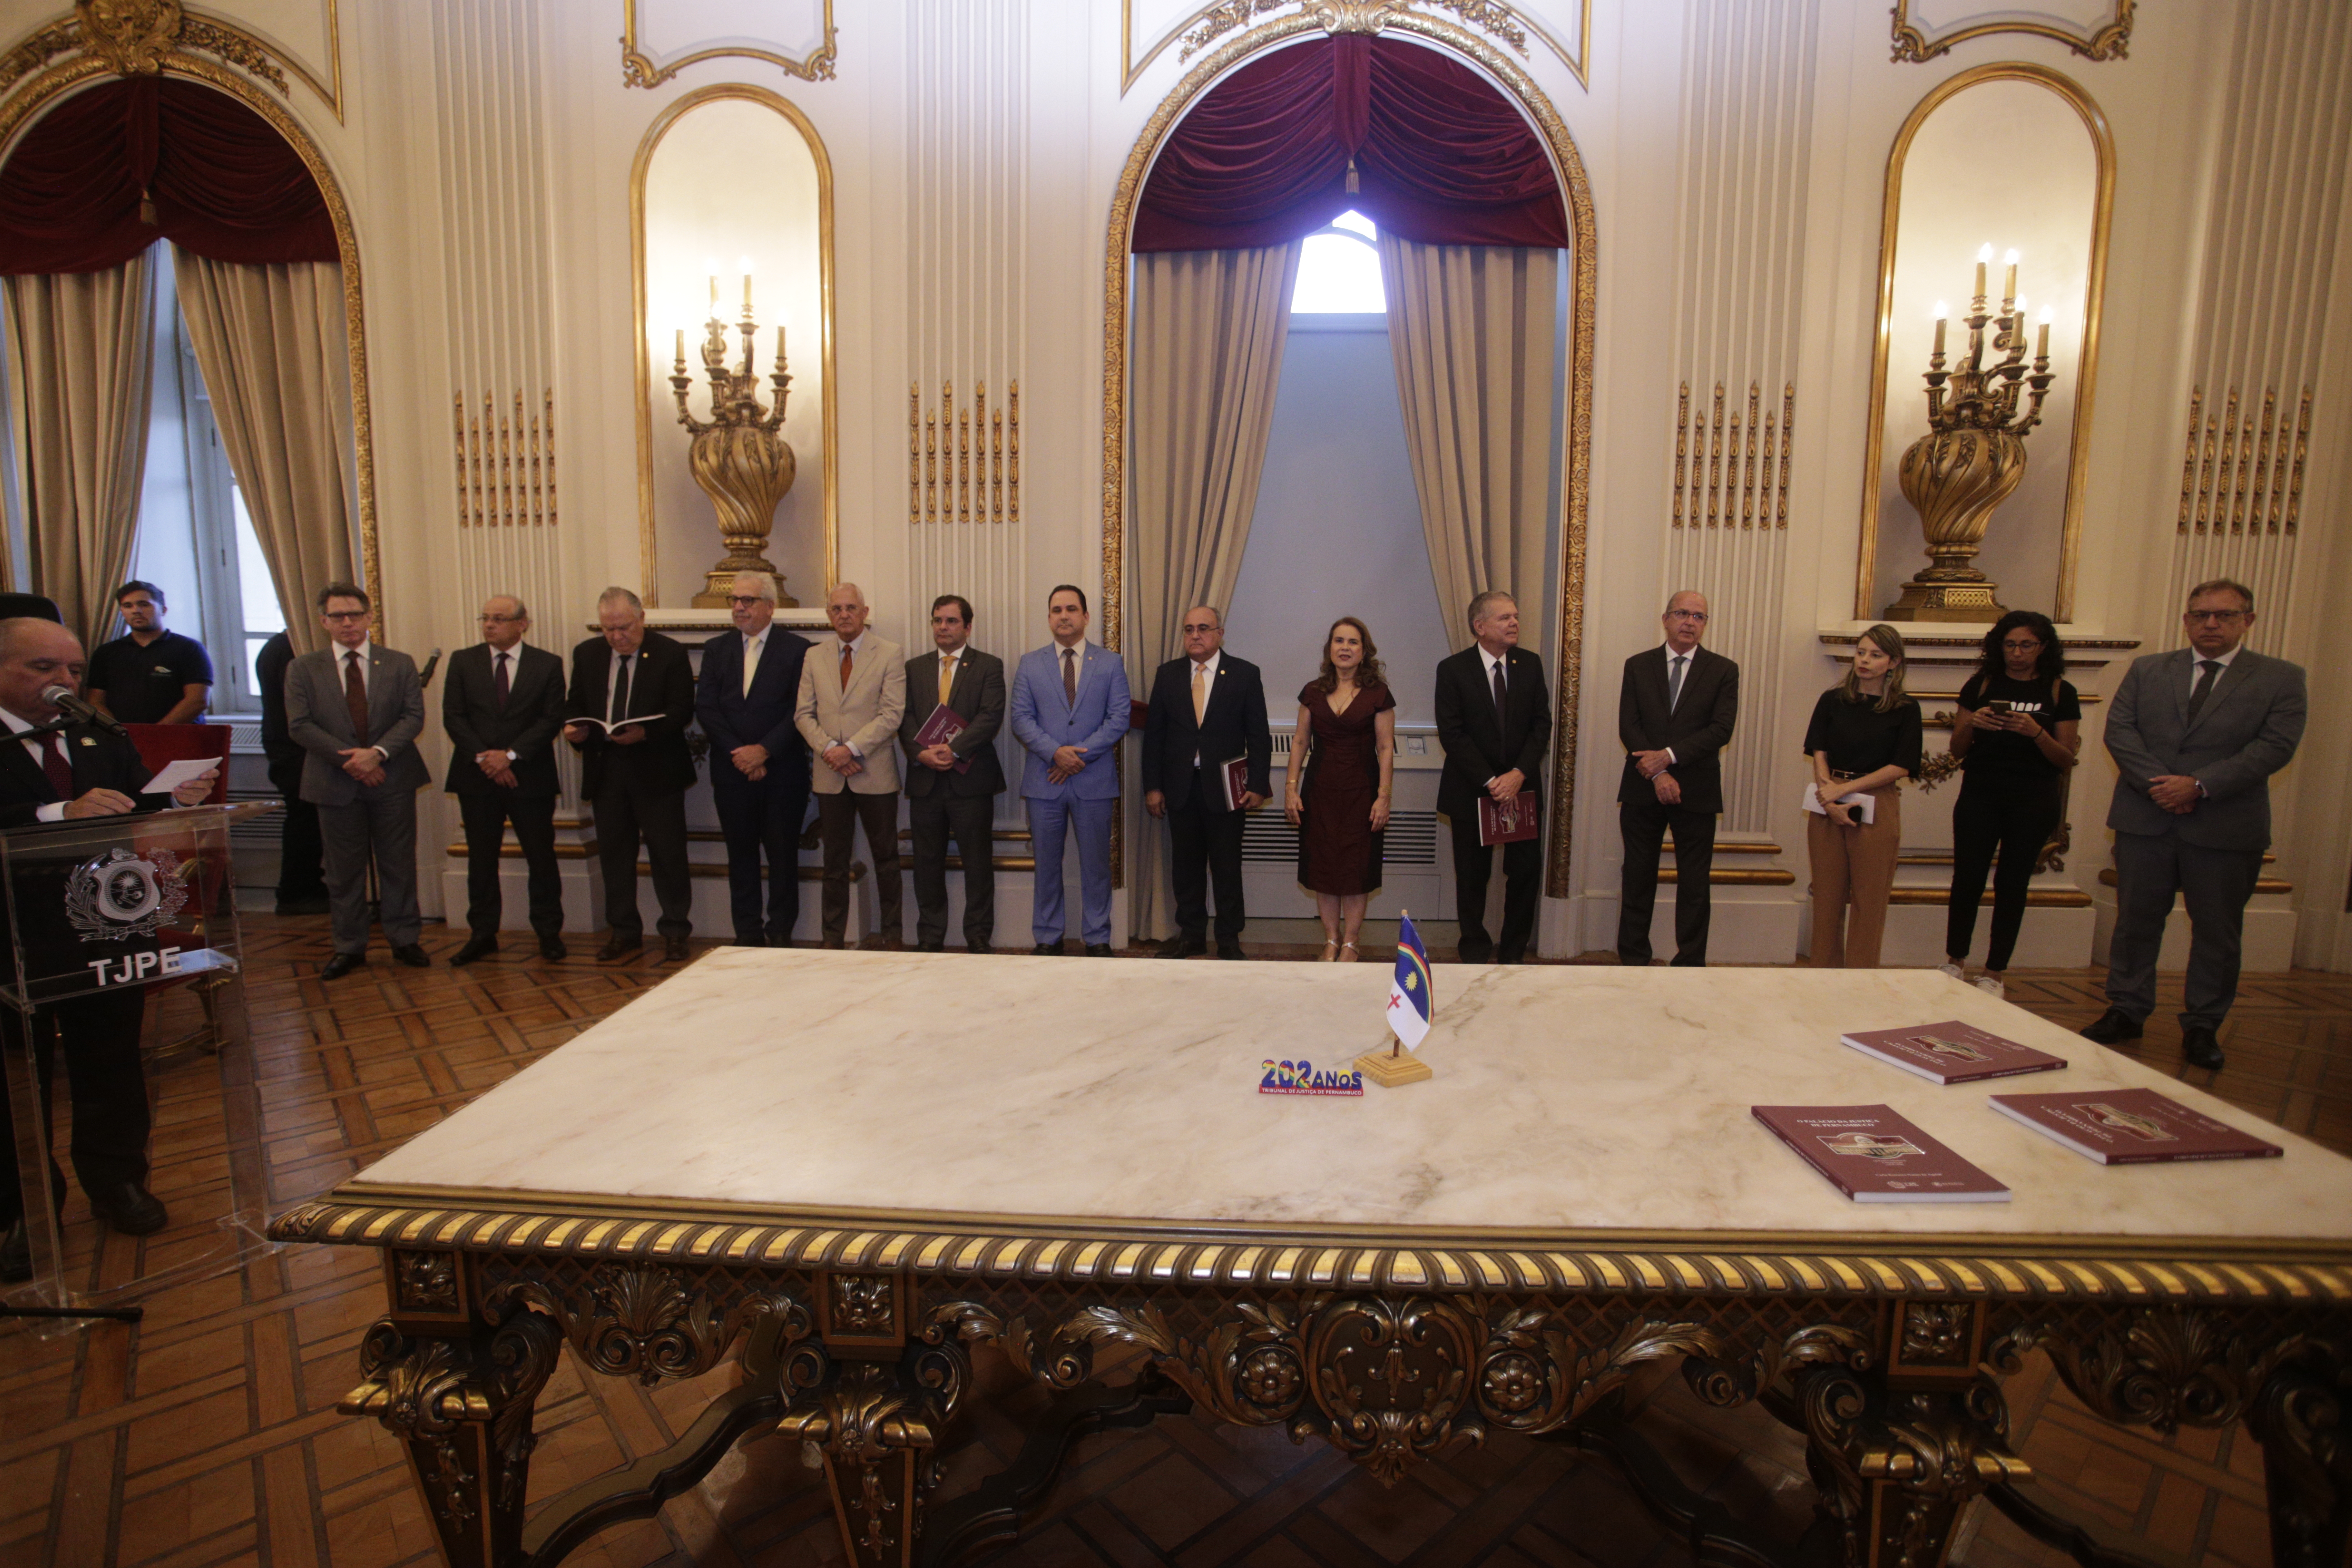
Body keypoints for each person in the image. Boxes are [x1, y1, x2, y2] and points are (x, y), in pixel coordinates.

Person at [0, 618, 215, 1281]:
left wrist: (172, 796)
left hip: (106, 927)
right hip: (13, 940)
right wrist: (54, 816)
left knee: (112, 1059)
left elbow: (131, 795)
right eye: (43, 669)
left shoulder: (95, 732)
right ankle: (22, 1209)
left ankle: (118, 1180)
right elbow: (57, 812)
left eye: (70, 670)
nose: (64, 683)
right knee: (16, 1080)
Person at [2084, 579, 2307, 1071]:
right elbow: (2120, 731)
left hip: (2225, 826)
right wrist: (2160, 786)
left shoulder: (2281, 678)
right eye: (2201, 614)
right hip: (2146, 820)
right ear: (2186, 620)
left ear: (2247, 621)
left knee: (2217, 931)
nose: (2211, 624)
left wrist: (2199, 786)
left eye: (2225, 616)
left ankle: (2203, 1023)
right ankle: (2126, 1009)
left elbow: (2275, 747)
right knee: (2136, 923)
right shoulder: (2147, 670)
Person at [285, 583, 431, 979]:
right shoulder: (303, 668)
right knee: (343, 871)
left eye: (354, 614)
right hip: (334, 782)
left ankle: (405, 939)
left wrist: (377, 755)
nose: (347, 623)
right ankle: (349, 946)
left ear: (369, 618)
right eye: (337, 616)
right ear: (323, 623)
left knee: (398, 864)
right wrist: (352, 761)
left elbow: (412, 718)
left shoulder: (399, 663)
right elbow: (300, 726)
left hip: (393, 777)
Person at [1940, 610, 2080, 998]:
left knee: (2012, 883)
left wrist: (2035, 732)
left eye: (2026, 645)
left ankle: (1994, 971)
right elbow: (1956, 749)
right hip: (1980, 794)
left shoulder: (2059, 692)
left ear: (2043, 647)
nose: (2017, 653)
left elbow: (2066, 758)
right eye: (2009, 645)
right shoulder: (1981, 684)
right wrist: (1973, 723)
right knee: (1967, 878)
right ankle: (1954, 961)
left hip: (2033, 799)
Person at [565, 588, 697, 963]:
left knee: (668, 855)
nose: (617, 637)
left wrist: (646, 732)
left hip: (656, 771)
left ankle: (675, 930)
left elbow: (681, 709)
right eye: (608, 629)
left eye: (624, 627)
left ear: (641, 619)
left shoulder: (670, 652)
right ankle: (624, 931)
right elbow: (575, 702)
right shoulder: (587, 654)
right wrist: (575, 729)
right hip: (606, 770)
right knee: (614, 857)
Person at [443, 595, 569, 965]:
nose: (489, 625)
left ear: (522, 624)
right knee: (481, 860)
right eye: (485, 618)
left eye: (499, 619)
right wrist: (487, 758)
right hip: (477, 777)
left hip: (529, 778)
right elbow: (454, 717)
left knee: (541, 858)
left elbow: (550, 719)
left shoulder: (547, 664)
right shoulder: (462, 661)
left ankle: (549, 934)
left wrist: (510, 756)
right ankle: (483, 934)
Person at [1617, 590, 1740, 968]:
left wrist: (1668, 758)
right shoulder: (1638, 665)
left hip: (1697, 789)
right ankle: (1634, 959)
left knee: (1695, 882)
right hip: (1643, 787)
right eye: (1683, 614)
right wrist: (1659, 774)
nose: (1690, 622)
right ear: (1666, 618)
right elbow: (1629, 725)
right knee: (1638, 876)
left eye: (1699, 617)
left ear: (1705, 625)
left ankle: (1690, 963)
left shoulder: (1723, 670)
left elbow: (1721, 730)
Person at [1143, 607, 1272, 960]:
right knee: (1186, 866)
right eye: (1188, 630)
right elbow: (1155, 736)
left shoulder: (1244, 674)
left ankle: (1229, 938)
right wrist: (1153, 787)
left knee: (1227, 865)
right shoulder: (1168, 675)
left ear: (1219, 633)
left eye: (1203, 629)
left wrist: (1259, 784)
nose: (1195, 636)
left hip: (1229, 789)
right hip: (1181, 787)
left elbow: (1258, 734)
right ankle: (1191, 935)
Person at [1009, 585, 1130, 956]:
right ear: (1049, 618)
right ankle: (1048, 937)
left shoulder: (1110, 663)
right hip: (1045, 781)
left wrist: (1078, 756)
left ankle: (1098, 938)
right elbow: (1021, 718)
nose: (1064, 616)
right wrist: (1054, 753)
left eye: (1072, 609)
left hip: (1093, 781)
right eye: (1057, 610)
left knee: (1096, 867)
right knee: (1046, 866)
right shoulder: (1030, 663)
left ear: (1086, 617)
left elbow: (1119, 717)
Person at [695, 571, 812, 948]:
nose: (740, 608)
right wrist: (740, 754)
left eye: (748, 600)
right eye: (735, 601)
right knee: (740, 856)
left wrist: (764, 751)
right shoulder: (716, 649)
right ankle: (746, 934)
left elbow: (801, 708)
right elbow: (708, 709)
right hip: (732, 772)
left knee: (782, 858)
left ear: (771, 606)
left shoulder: (798, 650)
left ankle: (780, 933)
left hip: (782, 772)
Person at [1435, 591, 1552, 964]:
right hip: (1472, 790)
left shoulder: (1530, 665)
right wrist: (1491, 780)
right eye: (1504, 618)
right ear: (1479, 626)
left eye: (1515, 616)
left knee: (1524, 875)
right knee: (1472, 878)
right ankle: (1474, 949)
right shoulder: (1453, 669)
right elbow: (1452, 734)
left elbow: (1541, 725)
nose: (1514, 623)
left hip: (1522, 791)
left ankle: (1513, 953)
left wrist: (1518, 774)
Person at [1803, 623, 1922, 969]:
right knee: (1827, 898)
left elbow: (1901, 766)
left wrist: (1845, 791)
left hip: (1876, 801)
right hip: (1828, 801)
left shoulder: (1905, 709)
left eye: (1876, 655)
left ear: (1893, 663)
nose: (1865, 661)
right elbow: (1819, 751)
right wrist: (1831, 798)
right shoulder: (1832, 700)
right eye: (1861, 653)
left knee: (1870, 902)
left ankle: (1861, 980)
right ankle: (1822, 977)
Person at [794, 582, 906, 950]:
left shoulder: (889, 653)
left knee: (886, 859)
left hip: (873, 771)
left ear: (865, 612)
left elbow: (892, 715)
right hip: (830, 774)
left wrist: (853, 749)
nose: (844, 614)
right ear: (829, 615)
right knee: (834, 863)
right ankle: (832, 939)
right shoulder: (815, 656)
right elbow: (803, 714)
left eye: (851, 608)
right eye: (837, 609)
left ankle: (892, 936)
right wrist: (831, 750)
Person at [899, 594, 1006, 953]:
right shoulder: (914, 668)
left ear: (968, 627)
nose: (943, 628)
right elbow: (906, 717)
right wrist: (921, 753)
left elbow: (990, 717)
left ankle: (978, 935)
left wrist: (954, 748)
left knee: (978, 862)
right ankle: (930, 936)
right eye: (937, 621)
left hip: (971, 780)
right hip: (926, 781)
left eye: (951, 621)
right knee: (926, 864)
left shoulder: (988, 666)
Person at [1284, 616, 1394, 962]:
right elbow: (1300, 741)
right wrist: (1290, 788)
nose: (1345, 648)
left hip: (1363, 792)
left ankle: (1351, 942)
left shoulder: (1378, 693)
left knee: (1356, 869)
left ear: (1364, 652)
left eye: (1352, 642)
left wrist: (1384, 797)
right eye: (1339, 641)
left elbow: (1386, 748)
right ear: (1329, 649)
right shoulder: (1313, 692)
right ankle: (1331, 940)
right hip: (1320, 791)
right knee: (1325, 867)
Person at [256, 629, 328, 915]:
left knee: (306, 819)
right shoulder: (291, 648)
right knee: (305, 819)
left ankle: (304, 887)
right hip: (294, 747)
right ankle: (297, 891)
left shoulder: (278, 645)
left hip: (287, 744)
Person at [85, 580, 212, 725]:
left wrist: (154, 735)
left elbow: (197, 701)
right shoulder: (106, 653)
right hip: (122, 739)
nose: (136, 611)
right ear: (122, 611)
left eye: (144, 605)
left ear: (163, 610)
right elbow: (95, 702)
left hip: (180, 737)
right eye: (128, 606)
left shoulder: (189, 649)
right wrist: (119, 733)